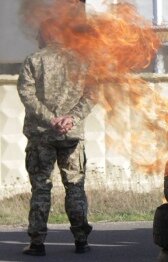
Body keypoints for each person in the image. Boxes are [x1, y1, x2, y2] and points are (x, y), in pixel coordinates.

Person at [17, 24, 94, 256]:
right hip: (71, 135)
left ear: (45, 35)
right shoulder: (82, 61)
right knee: (75, 187)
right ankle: (81, 240)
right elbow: (92, 94)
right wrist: (71, 119)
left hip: (42, 135)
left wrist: (52, 120)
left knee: (41, 188)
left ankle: (37, 243)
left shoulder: (33, 60)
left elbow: (26, 95)